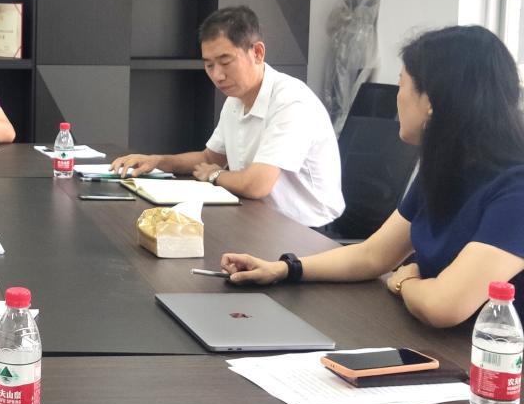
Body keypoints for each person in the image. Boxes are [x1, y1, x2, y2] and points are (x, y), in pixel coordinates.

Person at [222, 25, 524, 327]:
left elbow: (442, 306)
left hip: (486, 354)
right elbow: (373, 255)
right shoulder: (447, 167)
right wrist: (283, 269)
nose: (397, 97)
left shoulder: (516, 191)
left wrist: (405, 280)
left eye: (402, 84)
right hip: (432, 339)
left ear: (431, 101)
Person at [110, 6, 344, 227]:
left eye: (225, 62)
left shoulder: (291, 101)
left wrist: (215, 175)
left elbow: (256, 185)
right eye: (209, 65)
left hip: (307, 231)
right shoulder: (235, 100)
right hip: (256, 217)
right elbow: (209, 157)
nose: (217, 75)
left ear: (257, 53)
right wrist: (157, 161)